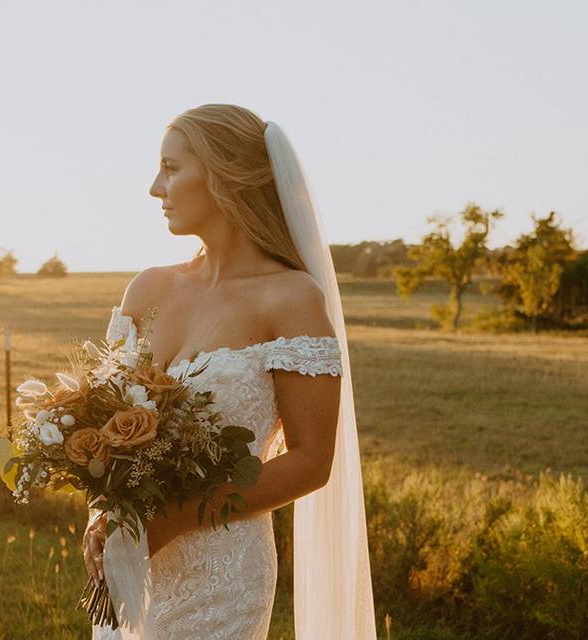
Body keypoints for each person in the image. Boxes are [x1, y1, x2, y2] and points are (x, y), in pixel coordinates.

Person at [85, 104, 376, 640]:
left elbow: (311, 462)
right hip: (131, 558)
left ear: (224, 176)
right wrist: (104, 517)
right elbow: (105, 427)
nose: (155, 187)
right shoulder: (147, 289)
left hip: (222, 571)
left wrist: (176, 518)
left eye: (171, 169)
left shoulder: (290, 299)